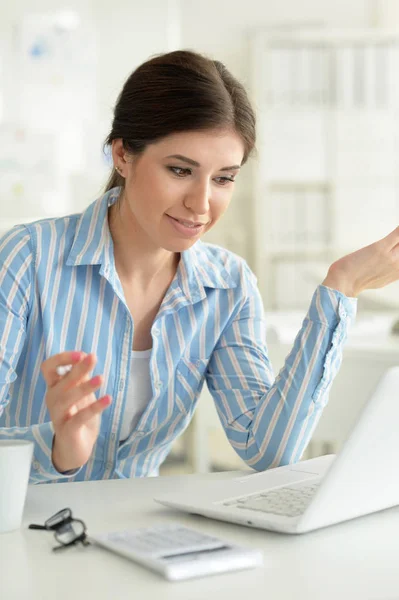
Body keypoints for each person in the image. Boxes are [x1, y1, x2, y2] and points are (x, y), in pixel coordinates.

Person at [1, 50, 399, 484]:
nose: (202, 204)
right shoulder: (29, 259)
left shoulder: (228, 286)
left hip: (132, 534)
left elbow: (268, 449)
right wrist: (56, 451)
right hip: (23, 533)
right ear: (122, 155)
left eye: (224, 178)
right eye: (179, 170)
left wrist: (341, 288)